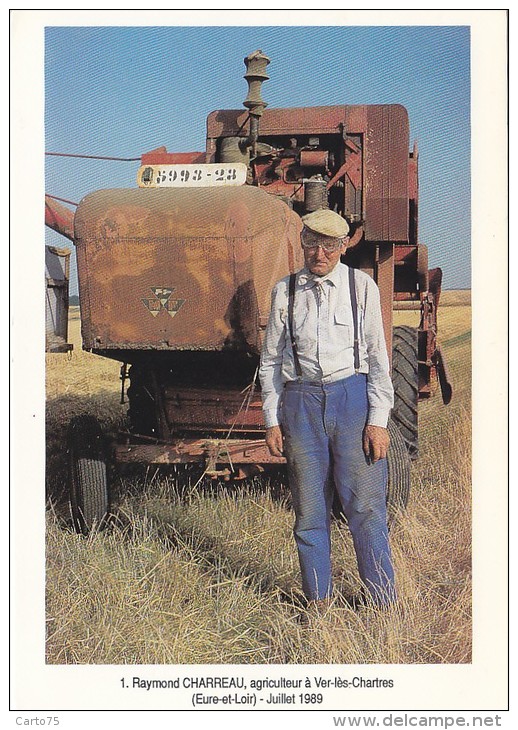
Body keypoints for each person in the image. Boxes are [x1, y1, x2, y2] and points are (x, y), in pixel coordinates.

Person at [259, 208, 396, 609]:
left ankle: (383, 603)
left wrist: (378, 421)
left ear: (342, 247)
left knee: (367, 507)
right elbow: (270, 362)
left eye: (330, 245)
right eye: (312, 243)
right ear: (301, 242)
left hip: (352, 399)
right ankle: (319, 604)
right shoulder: (284, 291)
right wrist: (272, 419)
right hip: (301, 404)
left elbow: (377, 359)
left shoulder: (362, 286)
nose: (320, 253)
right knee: (309, 511)